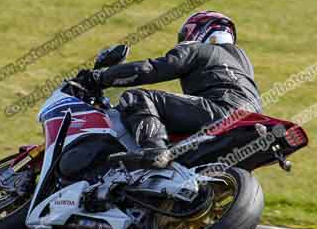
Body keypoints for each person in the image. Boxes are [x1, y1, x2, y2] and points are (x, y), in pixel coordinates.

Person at [77, 11, 262, 167]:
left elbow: (151, 69)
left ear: (200, 31)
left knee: (137, 97)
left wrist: (100, 76)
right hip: (250, 119)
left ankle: (154, 150)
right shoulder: (243, 62)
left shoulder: (198, 49)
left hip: (219, 109)